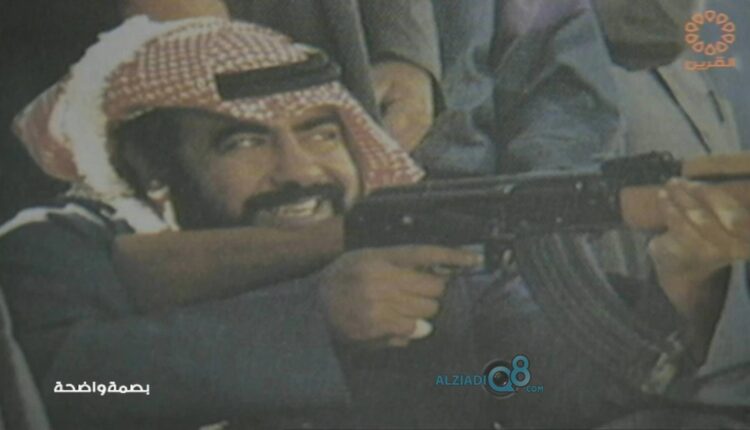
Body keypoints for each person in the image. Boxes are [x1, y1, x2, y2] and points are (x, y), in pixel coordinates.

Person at [1, 17, 480, 429]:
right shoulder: (59, 243)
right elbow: (70, 388)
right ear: (150, 165)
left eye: (322, 134)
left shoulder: (399, 240)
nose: (300, 172)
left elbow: (497, 371)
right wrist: (310, 322)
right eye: (244, 143)